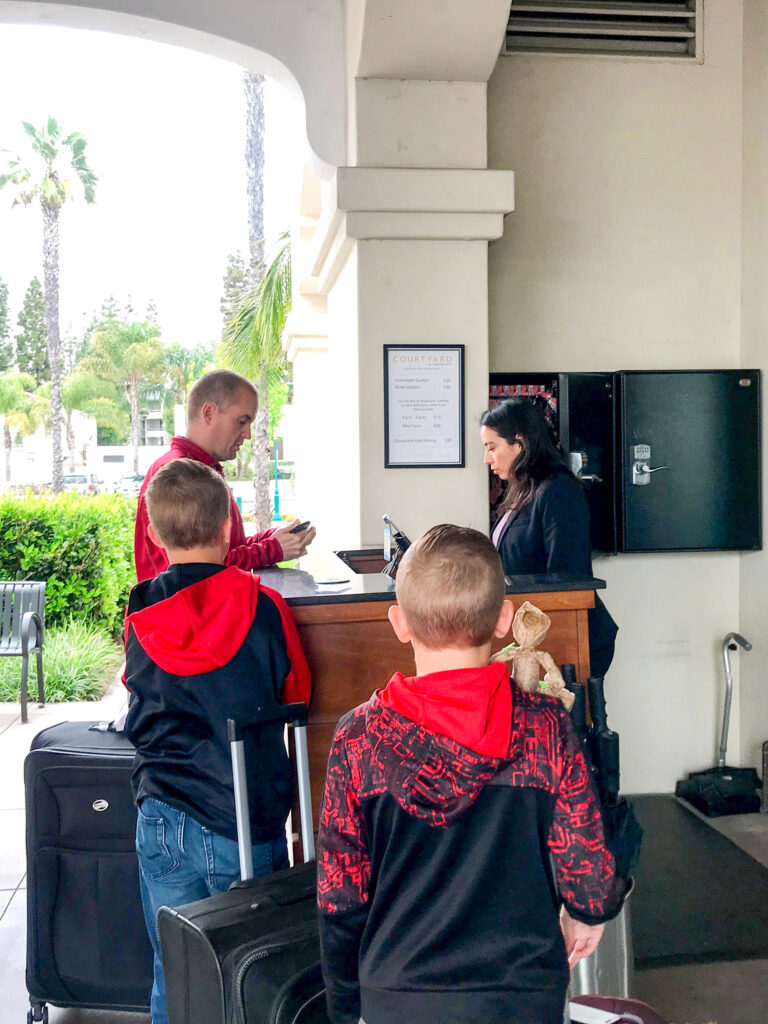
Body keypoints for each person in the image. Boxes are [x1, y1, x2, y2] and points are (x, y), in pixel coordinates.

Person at [317, 524, 627, 1024]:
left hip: (398, 994)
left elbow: (340, 895)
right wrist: (588, 914)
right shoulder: (545, 729)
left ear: (399, 623)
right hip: (521, 994)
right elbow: (588, 875)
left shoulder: (359, 739)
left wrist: (346, 1004)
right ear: (505, 618)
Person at [123, 458, 312, 1024]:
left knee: (173, 967)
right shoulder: (263, 604)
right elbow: (296, 690)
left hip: (161, 809)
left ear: (154, 534)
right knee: (255, 967)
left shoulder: (140, 606)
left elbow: (134, 682)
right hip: (243, 812)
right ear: (229, 528)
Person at [133, 368, 316, 581]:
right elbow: (194, 568)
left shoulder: (201, 469)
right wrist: (270, 550)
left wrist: (273, 539)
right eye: (241, 421)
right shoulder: (175, 473)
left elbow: (222, 550)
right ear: (209, 413)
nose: (247, 434)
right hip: (184, 612)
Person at [480, 396, 618, 678]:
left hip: (569, 638)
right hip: (538, 633)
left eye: (492, 447)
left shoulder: (558, 491)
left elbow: (568, 577)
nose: (487, 459)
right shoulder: (522, 490)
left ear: (519, 443)